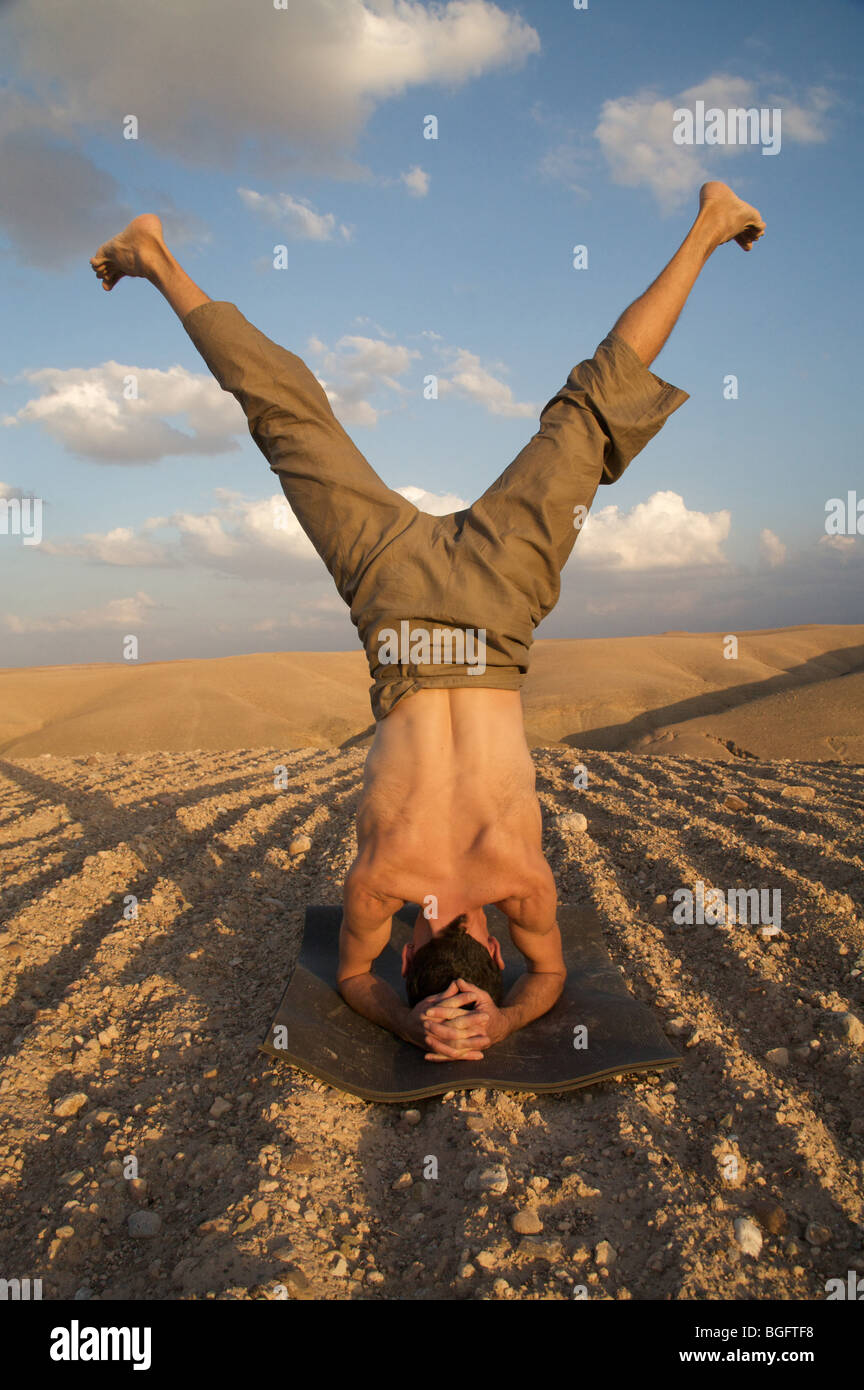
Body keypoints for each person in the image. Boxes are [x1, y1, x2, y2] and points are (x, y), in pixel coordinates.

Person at [91, 181, 765, 1062]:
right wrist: (407, 1018)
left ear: (492, 946)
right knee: (288, 417)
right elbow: (354, 979)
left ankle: (711, 223)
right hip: (399, 616)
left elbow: (546, 979)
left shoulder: (522, 886)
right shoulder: (381, 888)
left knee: (593, 409)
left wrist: (507, 1014)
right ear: (417, 944)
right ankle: (153, 254)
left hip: (496, 614)